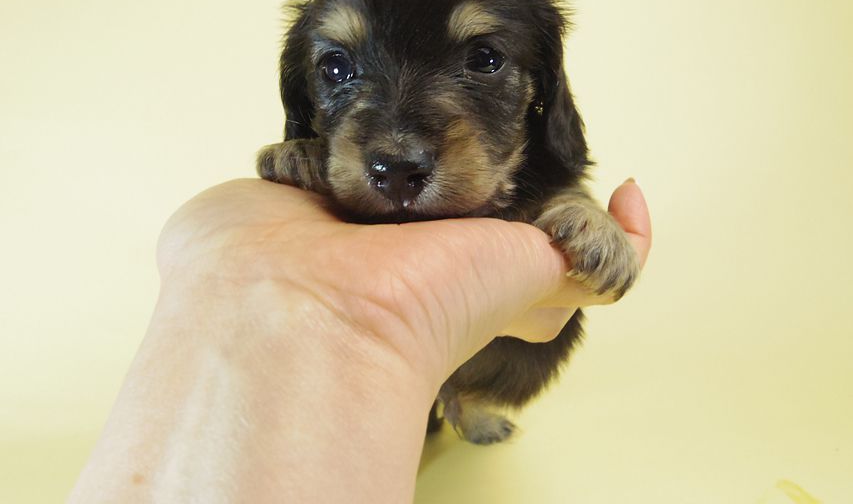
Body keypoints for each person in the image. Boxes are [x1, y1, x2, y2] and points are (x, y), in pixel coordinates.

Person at [69, 177, 651, 503]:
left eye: (483, 59)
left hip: (498, 365)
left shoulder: (533, 164)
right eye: (339, 71)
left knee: (492, 393)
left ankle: (468, 405)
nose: (398, 141)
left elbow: (558, 185)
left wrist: (574, 209)